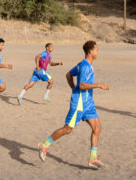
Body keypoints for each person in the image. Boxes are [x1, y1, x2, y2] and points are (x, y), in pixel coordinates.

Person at [38, 40, 109, 169]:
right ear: (90, 51)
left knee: (97, 128)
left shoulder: (84, 64)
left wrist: (72, 88)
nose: (98, 52)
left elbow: (68, 75)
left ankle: (93, 159)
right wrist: (99, 85)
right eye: (97, 50)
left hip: (88, 104)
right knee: (67, 129)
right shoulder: (85, 66)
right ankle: (44, 145)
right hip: (80, 104)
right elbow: (81, 85)